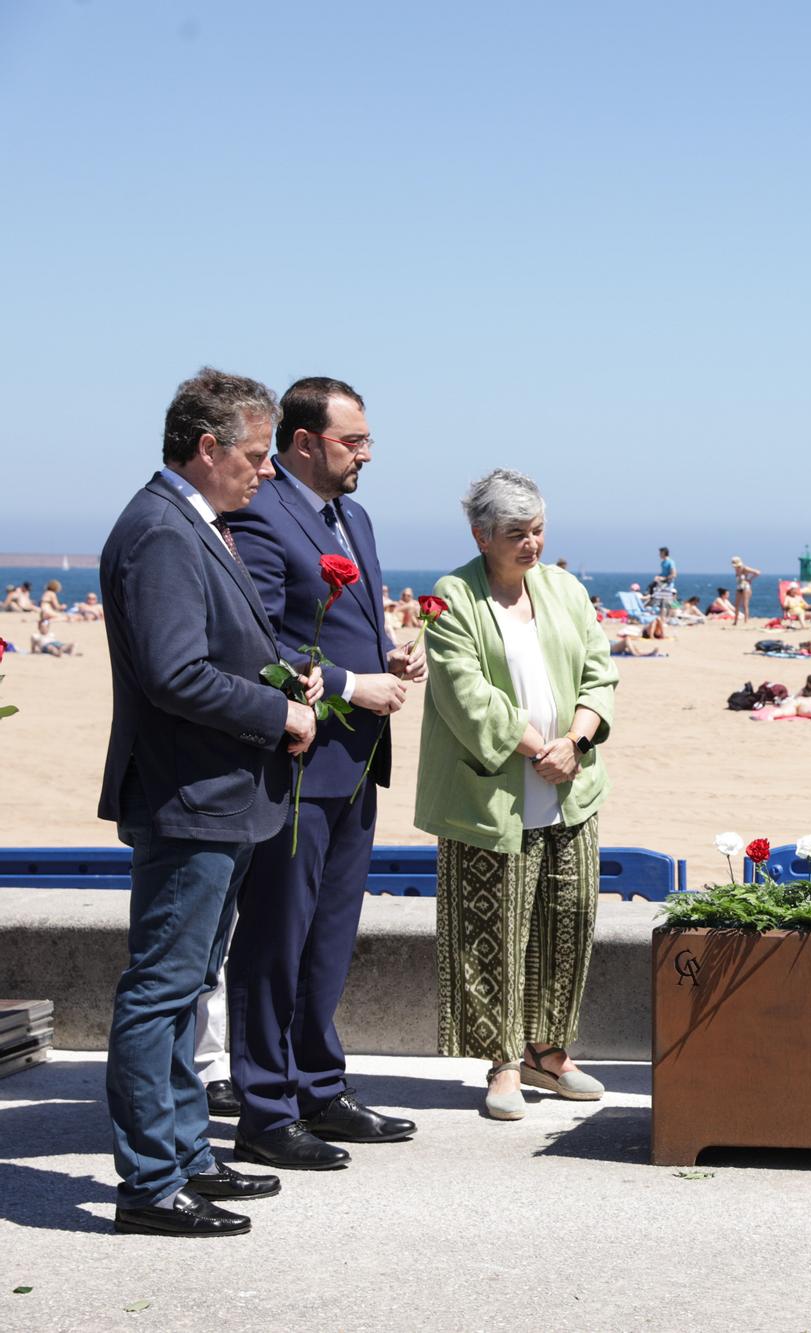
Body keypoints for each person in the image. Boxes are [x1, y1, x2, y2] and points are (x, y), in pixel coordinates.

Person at [98, 368, 321, 1237]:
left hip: (218, 793)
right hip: (190, 794)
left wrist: (277, 677)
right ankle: (150, 1182)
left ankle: (186, 1151)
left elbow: (208, 651)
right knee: (161, 989)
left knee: (189, 985)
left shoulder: (195, 522)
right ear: (207, 449)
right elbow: (173, 673)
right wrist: (280, 710)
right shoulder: (160, 529)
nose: (265, 473)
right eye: (257, 456)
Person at [221, 377, 424, 1171]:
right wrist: (346, 684)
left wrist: (389, 654)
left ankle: (318, 1085)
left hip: (359, 759)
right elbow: (257, 644)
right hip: (299, 762)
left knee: (330, 937)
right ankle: (265, 1105)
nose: (367, 454)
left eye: (368, 439)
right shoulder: (260, 516)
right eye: (354, 441)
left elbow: (343, 623)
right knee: (277, 935)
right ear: (303, 441)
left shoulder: (357, 517)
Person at [416, 469, 618, 1120]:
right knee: (491, 934)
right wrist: (540, 748)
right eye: (515, 533)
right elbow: (466, 697)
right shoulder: (453, 596)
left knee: (569, 920)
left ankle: (550, 1052)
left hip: (570, 791)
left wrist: (577, 744)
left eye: (537, 530)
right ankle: (502, 1062)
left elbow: (599, 671)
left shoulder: (564, 588)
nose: (530, 543)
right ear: (481, 535)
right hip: (490, 797)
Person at [730, 556, 760, 624]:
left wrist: (749, 579)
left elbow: (757, 572)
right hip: (739, 587)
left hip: (746, 587)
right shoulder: (736, 569)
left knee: (745, 604)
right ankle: (735, 621)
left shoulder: (745, 568)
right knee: (736, 604)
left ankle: (746, 621)